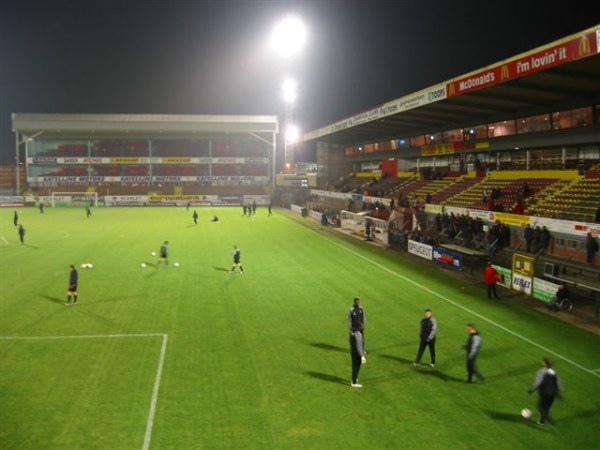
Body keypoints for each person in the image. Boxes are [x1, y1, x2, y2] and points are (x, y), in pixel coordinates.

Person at [528, 357, 562, 425]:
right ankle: (542, 421)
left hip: (545, 392)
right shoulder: (554, 371)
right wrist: (558, 392)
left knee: (540, 407)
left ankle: (549, 419)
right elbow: (558, 382)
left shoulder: (542, 371)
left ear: (544, 363)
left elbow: (539, 382)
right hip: (553, 393)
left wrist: (532, 389)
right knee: (546, 407)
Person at [348, 298, 366, 387]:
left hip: (353, 349)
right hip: (356, 352)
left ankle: (353, 379)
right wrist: (362, 356)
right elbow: (359, 346)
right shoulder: (358, 334)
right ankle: (354, 382)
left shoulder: (353, 333)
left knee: (354, 364)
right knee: (357, 364)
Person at [348, 298, 366, 362]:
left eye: (359, 302)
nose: (358, 303)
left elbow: (363, 317)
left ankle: (363, 350)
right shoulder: (351, 310)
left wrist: (363, 324)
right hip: (354, 328)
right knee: (356, 340)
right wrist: (350, 328)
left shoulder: (361, 308)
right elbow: (349, 319)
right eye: (357, 302)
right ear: (354, 303)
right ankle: (357, 352)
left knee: (362, 339)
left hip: (360, 327)